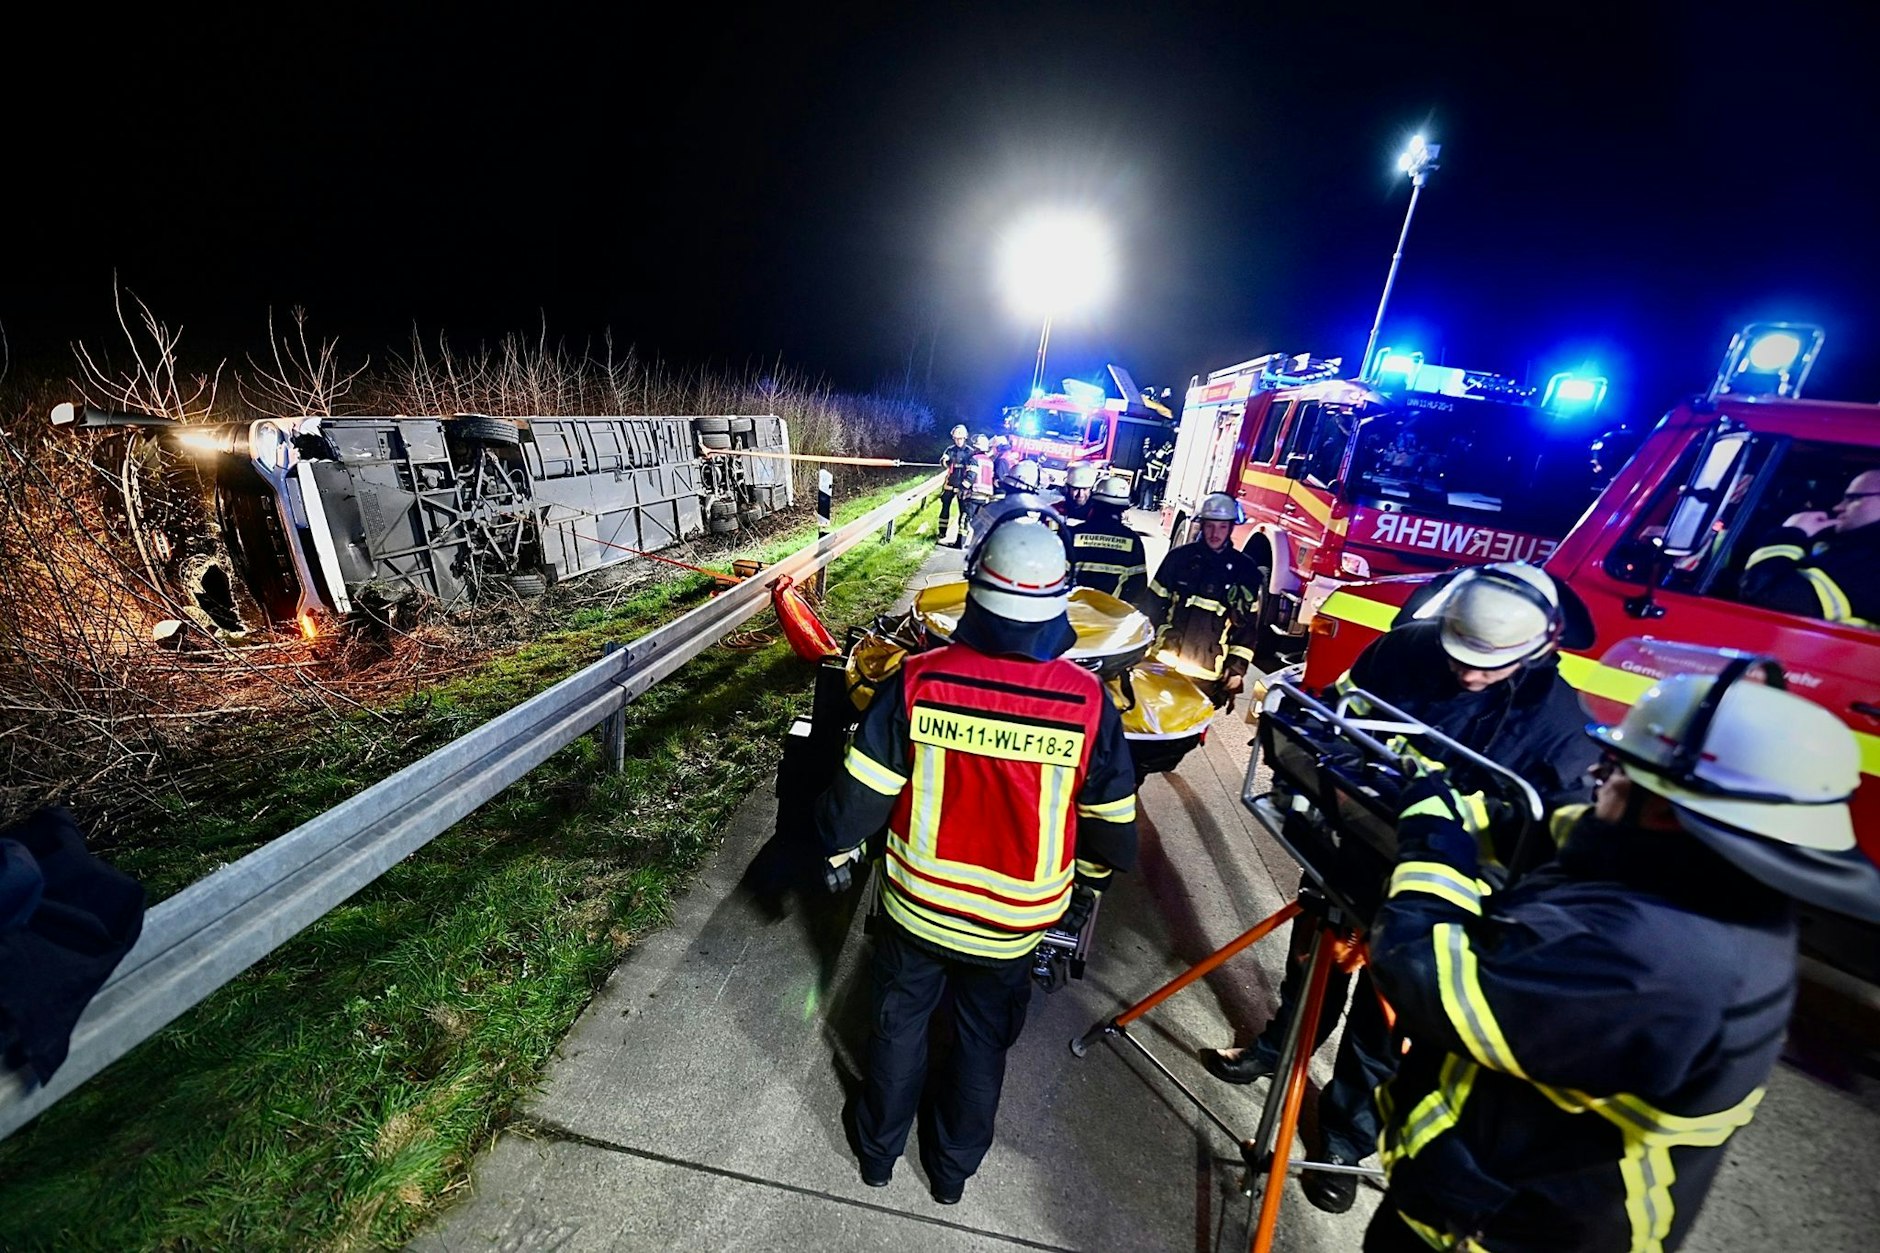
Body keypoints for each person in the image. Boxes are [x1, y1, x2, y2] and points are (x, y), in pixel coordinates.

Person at [1362, 659, 1880, 1251]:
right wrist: (1457, 807)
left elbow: (1426, 974)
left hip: (1502, 1235)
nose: (1597, 779)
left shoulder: (1658, 958)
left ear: (1665, 810)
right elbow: (1556, 832)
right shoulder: (1698, 877)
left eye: (1614, 770)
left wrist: (1432, 843)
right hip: (1467, 1194)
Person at [1200, 563, 1600, 1213]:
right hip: (1350, 848)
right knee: (1310, 967)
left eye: (1488, 665)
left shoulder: (1559, 732)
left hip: (1431, 897)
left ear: (1543, 644)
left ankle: (1344, 1138)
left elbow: (1540, 849)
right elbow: (1338, 713)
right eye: (1459, 654)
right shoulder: (1407, 650)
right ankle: (1277, 1048)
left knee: (1383, 1024)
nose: (1468, 674)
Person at [816, 512, 1139, 1205]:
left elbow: (860, 792)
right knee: (980, 1046)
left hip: (919, 906)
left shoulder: (919, 680)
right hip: (1014, 925)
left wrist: (838, 846)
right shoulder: (1087, 703)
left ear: (976, 589)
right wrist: (1087, 886)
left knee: (898, 1029)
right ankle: (951, 1173)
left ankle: (877, 1155)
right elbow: (1111, 825)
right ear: (1058, 603)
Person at [1142, 493, 1263, 707]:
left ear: (1231, 528)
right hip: (1163, 664)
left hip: (1207, 676)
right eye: (1210, 526)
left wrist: (1236, 669)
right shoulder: (1178, 559)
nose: (1215, 533)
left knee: (1191, 727)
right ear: (1202, 525)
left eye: (1222, 527)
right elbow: (1150, 607)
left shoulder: (1245, 571)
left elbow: (1246, 629)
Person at [1738, 467, 1880, 627]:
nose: (1838, 507)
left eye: (1853, 498)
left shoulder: (1871, 565)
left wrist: (1789, 533)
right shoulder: (1852, 549)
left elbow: (1765, 597)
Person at [1065, 475, 1149, 603]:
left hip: (1073, 610)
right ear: (1123, 509)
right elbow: (1137, 589)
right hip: (1111, 613)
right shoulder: (1133, 541)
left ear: (1093, 503)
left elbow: (1057, 578)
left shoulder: (1073, 535)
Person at [937, 424, 975, 547]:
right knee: (945, 508)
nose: (958, 441)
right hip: (950, 483)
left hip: (962, 485)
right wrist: (945, 460)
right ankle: (942, 532)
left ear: (965, 438)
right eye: (956, 439)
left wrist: (966, 486)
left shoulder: (970, 452)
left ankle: (961, 538)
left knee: (963, 511)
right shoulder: (950, 450)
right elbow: (943, 463)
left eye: (960, 439)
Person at [960, 435, 996, 548]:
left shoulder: (974, 459)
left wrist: (962, 488)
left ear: (976, 447)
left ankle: (961, 543)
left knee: (966, 519)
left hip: (974, 494)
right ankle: (975, 544)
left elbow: (971, 476)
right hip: (985, 497)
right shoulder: (990, 461)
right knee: (979, 521)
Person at [1137, 437, 1173, 509]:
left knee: (1142, 491)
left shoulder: (1151, 458)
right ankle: (1150, 506)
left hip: (1147, 478)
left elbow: (1145, 452)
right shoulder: (1161, 464)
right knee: (1151, 493)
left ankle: (1141, 505)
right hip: (1154, 480)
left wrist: (1146, 443)